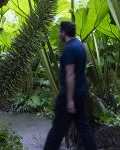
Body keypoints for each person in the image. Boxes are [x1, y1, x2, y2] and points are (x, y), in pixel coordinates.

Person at [44, 21, 97, 150]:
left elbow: (70, 75)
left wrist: (69, 100)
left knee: (57, 129)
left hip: (70, 96)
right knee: (84, 128)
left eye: (59, 32)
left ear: (63, 32)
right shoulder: (80, 46)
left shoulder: (68, 49)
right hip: (81, 93)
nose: (59, 34)